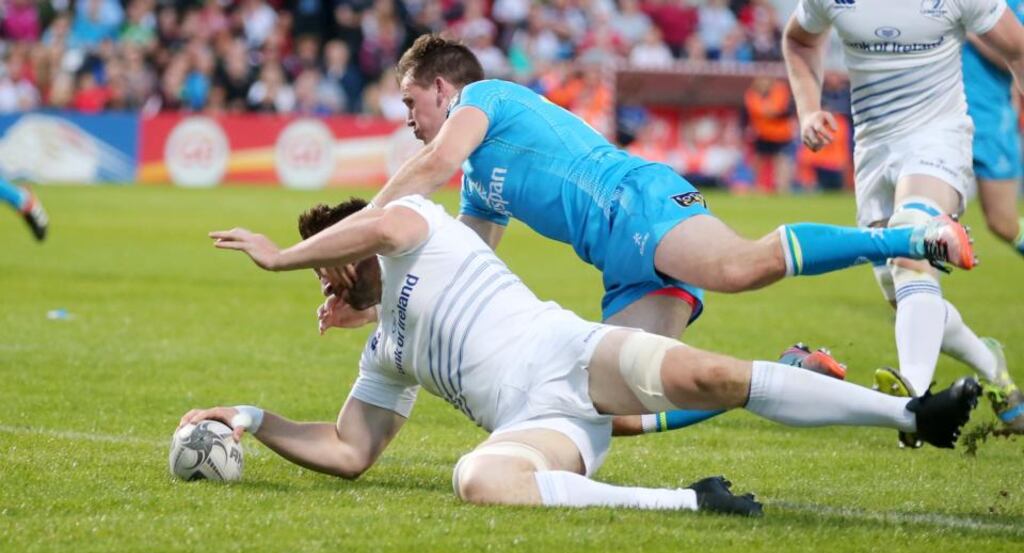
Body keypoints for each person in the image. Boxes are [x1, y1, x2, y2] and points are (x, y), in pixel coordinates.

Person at [317, 34, 976, 436]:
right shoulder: (478, 183)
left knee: (742, 267)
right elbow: (456, 274)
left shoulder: (482, 98)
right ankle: (790, 371)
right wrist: (371, 310)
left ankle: (912, 238)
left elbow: (431, 165)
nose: (408, 119)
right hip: (621, 260)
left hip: (636, 203)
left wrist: (357, 231)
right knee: (611, 409)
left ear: (440, 88)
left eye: (410, 104)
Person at [184, 195, 980, 516]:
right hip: (540, 424)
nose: (322, 280)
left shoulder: (410, 225)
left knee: (710, 373)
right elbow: (349, 448)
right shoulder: (385, 352)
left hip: (571, 351)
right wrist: (253, 418)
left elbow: (376, 228)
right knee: (478, 479)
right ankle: (691, 502)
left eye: (326, 266)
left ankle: (915, 412)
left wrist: (279, 255)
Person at [782, 0, 1024, 441]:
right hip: (874, 154)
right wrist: (807, 110)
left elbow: (1018, 47)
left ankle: (911, 399)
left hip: (939, 141)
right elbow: (799, 39)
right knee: (907, 294)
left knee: (912, 243)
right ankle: (993, 369)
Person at [964, 1, 1024, 258]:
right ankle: (918, 290)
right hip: (936, 118)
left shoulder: (1010, 4)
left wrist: (972, 29)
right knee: (926, 215)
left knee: (1002, 223)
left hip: (988, 118)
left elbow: (1014, 56)